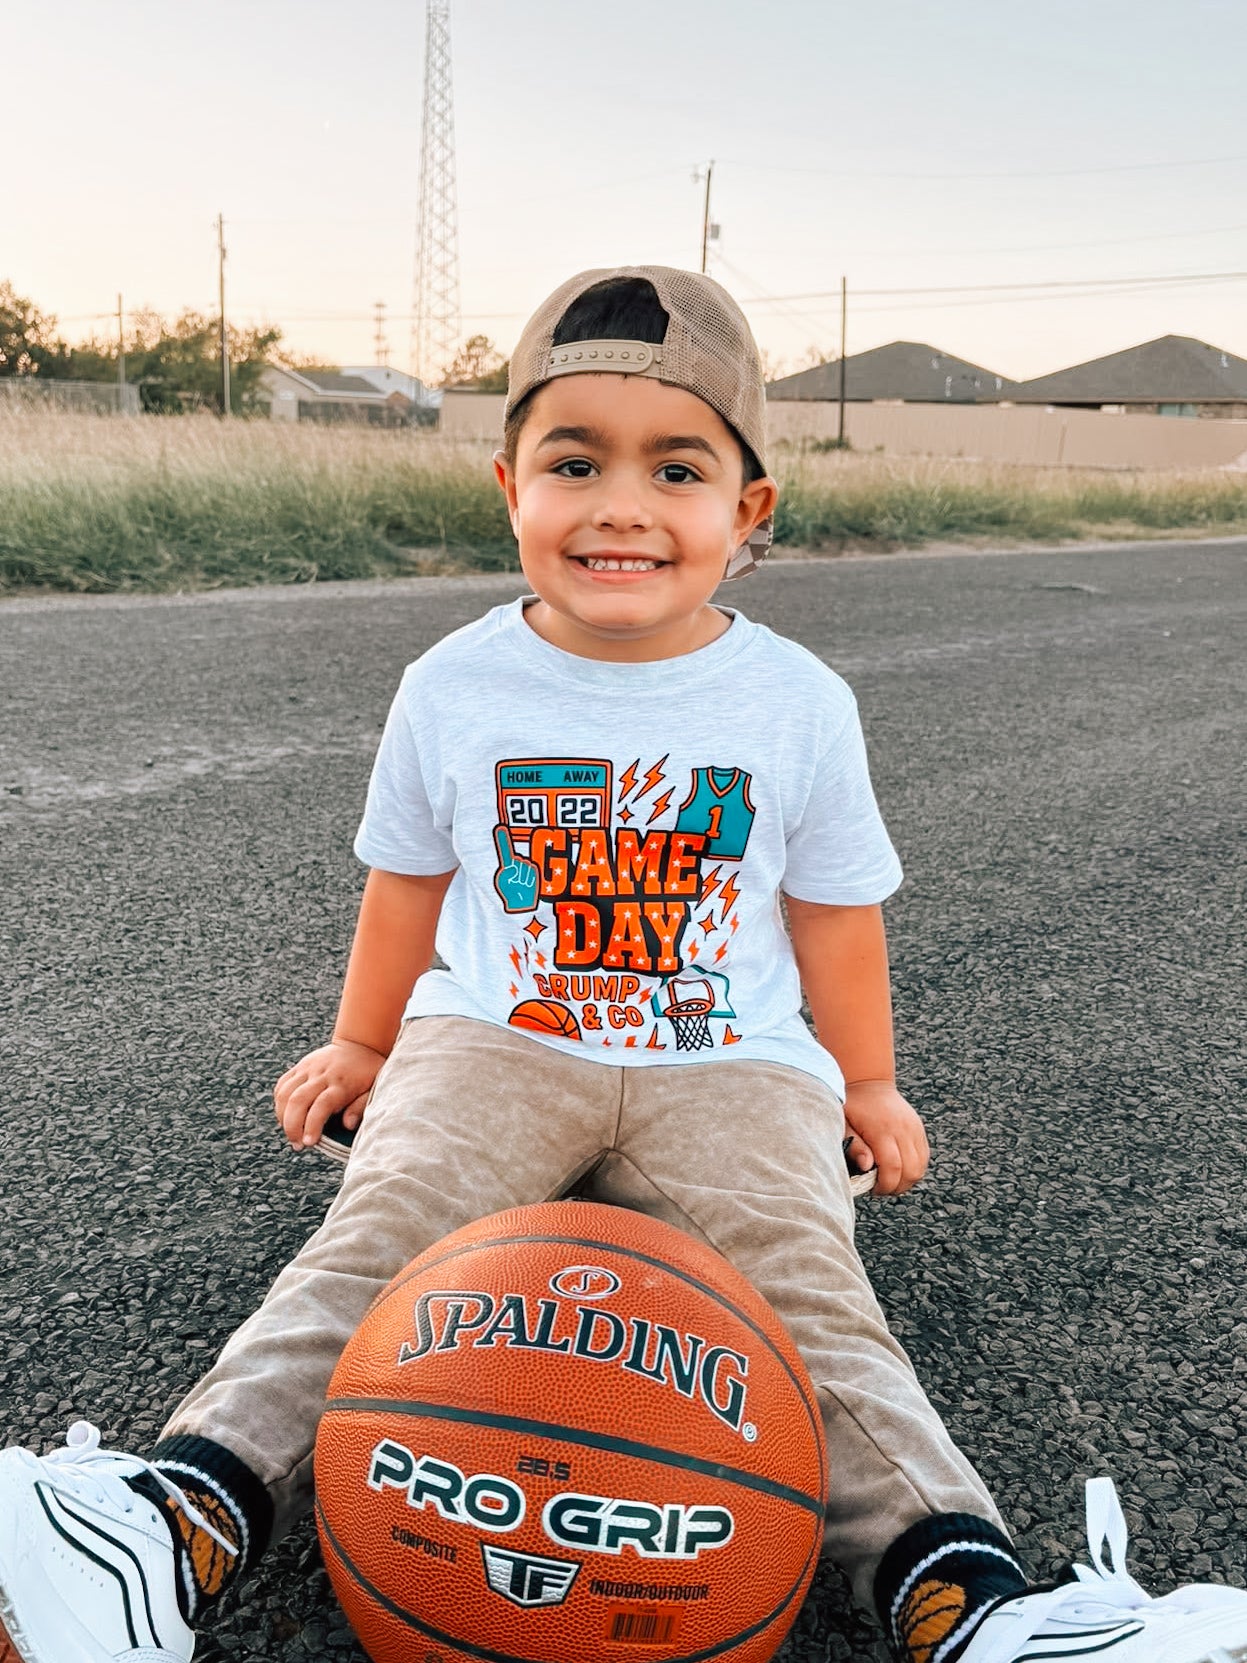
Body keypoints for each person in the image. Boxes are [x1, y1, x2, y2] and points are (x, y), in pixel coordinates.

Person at [0, 267, 1242, 1663]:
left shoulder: (797, 702)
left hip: (734, 1058)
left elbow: (835, 913)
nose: (622, 505)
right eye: (573, 461)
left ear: (748, 509)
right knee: (375, 1238)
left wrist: (870, 1078)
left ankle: (970, 1604)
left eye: (678, 466)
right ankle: (169, 1531)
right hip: (497, 1039)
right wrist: (362, 1045)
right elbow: (408, 886)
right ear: (508, 484)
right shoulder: (452, 684)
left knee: (812, 1302)